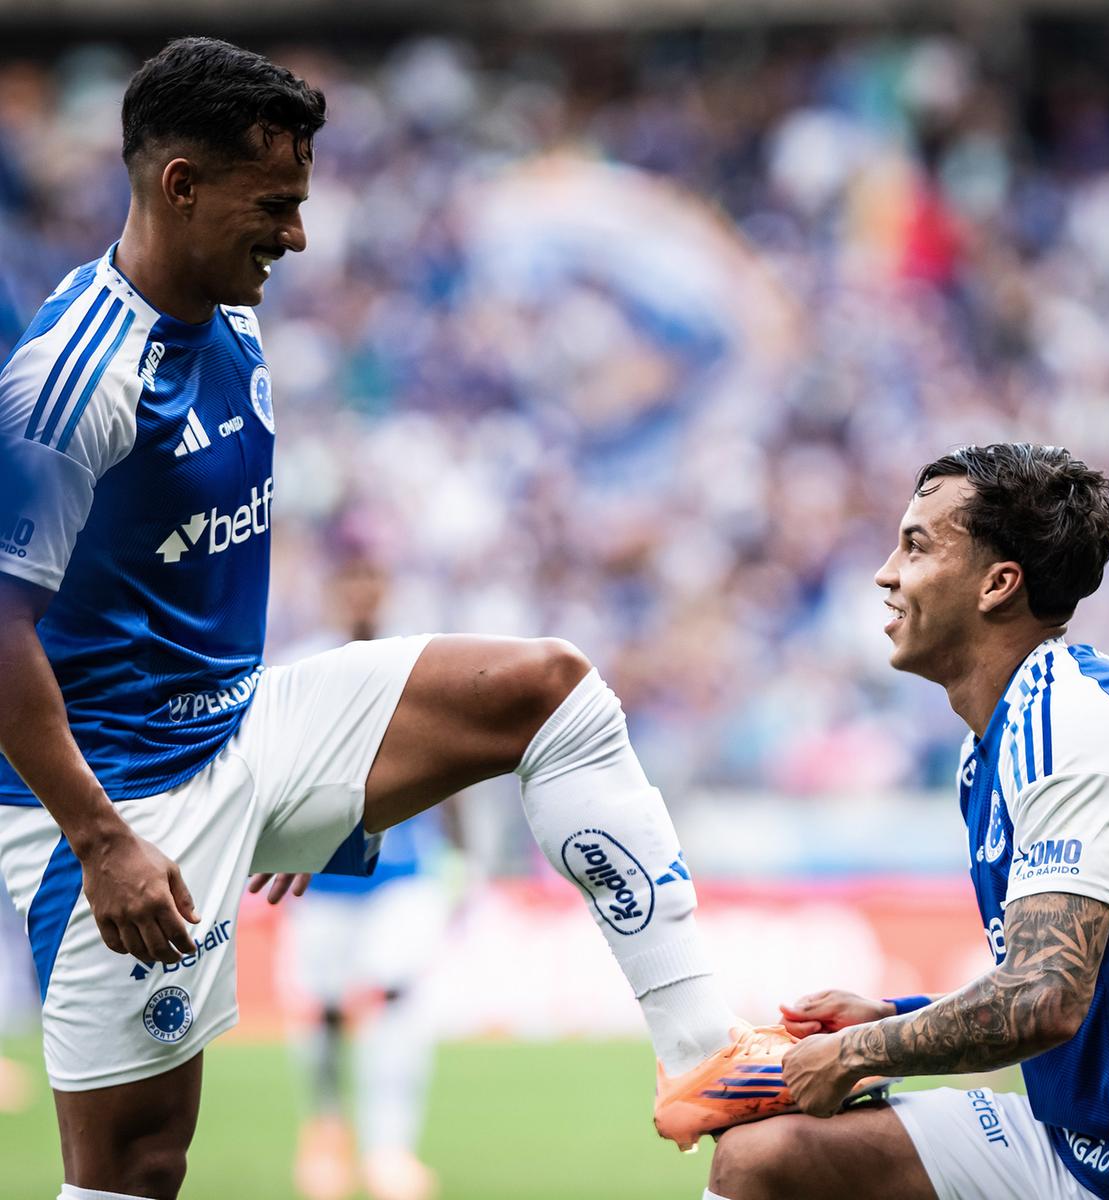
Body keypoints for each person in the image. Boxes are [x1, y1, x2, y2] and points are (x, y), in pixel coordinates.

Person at [0, 37, 784, 1200]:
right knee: (135, 1168)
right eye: (276, 205)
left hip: (239, 733)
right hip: (123, 800)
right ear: (180, 186)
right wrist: (105, 841)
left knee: (549, 692)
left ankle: (704, 1055)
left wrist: (288, 795)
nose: (299, 235)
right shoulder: (69, 384)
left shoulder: (232, 312)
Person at [702, 442, 1109, 1200]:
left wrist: (861, 1051)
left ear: (998, 585)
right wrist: (893, 1020)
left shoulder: (1069, 726)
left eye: (916, 545)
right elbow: (1069, 986)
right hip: (1088, 1150)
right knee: (764, 1158)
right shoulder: (998, 741)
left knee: (768, 1158)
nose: (885, 573)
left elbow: (1044, 998)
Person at [277, 551, 458, 1200]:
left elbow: (456, 755)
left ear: (385, 585)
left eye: (370, 577)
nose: (361, 591)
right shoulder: (302, 665)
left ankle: (390, 1149)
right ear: (334, 589)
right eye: (348, 578)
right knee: (323, 1010)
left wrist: (462, 858)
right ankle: (326, 1131)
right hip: (319, 872)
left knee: (398, 998)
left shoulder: (422, 660)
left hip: (405, 868)